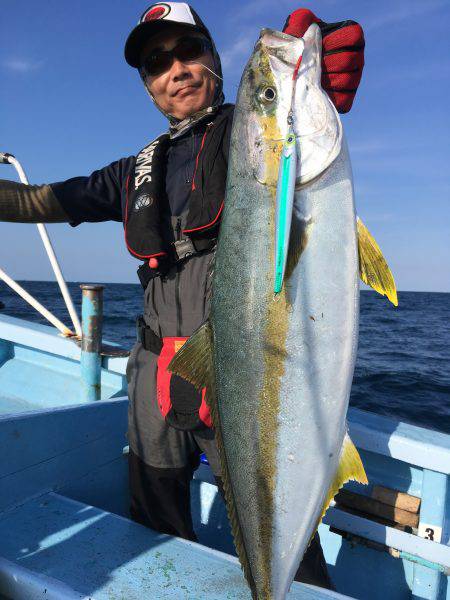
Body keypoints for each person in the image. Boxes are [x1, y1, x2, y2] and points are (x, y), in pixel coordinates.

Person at [0, 3, 364, 589]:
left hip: (236, 362)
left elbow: (293, 142)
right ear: (148, 87)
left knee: (276, 513)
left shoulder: (244, 133)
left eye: (188, 52)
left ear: (214, 61)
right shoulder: (134, 171)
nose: (177, 70)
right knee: (153, 515)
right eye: (157, 63)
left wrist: (315, 87)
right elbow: (40, 201)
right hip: (152, 368)